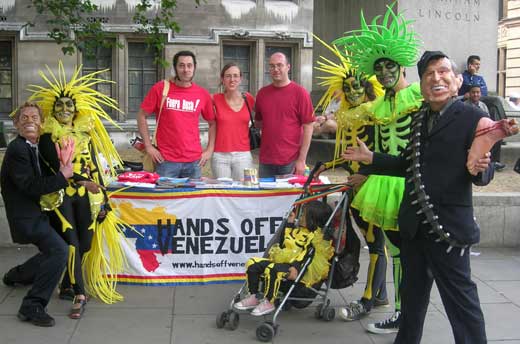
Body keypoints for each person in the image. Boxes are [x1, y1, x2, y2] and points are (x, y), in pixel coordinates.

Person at [342, 51, 493, 344]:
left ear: (457, 79)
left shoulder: (475, 117)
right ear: (422, 85)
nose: (436, 78)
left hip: (447, 230)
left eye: (442, 72)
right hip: (413, 227)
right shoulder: (419, 118)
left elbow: (485, 170)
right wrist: (373, 157)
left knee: (462, 305)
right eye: (429, 74)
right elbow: (408, 165)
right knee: (411, 302)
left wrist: (480, 171)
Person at [333, 4, 423, 332]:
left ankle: (407, 313)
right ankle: (402, 313)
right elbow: (351, 119)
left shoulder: (418, 95)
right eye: (380, 68)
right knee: (398, 251)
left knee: (413, 255)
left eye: (390, 66)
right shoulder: (378, 104)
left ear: (402, 67)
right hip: (385, 183)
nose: (385, 72)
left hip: (412, 183)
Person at [29, 63, 128, 317]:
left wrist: (104, 199)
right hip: (59, 197)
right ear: (53, 109)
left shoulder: (87, 133)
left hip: (86, 198)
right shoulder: (47, 136)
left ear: (76, 109)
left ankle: (65, 286)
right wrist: (84, 181)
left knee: (84, 245)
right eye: (60, 105)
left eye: (69, 105)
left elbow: (95, 167)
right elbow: (56, 164)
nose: (64, 109)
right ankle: (80, 294)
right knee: (71, 244)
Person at [313, 34, 388, 321]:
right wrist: (326, 165)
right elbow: (350, 153)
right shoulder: (349, 115)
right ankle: (379, 293)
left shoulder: (375, 113)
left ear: (367, 87)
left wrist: (366, 175)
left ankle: (369, 300)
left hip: (374, 186)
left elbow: (382, 152)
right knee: (371, 241)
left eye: (357, 85)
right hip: (354, 186)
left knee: (375, 242)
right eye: (348, 87)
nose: (353, 90)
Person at [1, 102, 74, 327]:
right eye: (24, 118)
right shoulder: (17, 149)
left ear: (42, 124)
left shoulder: (31, 147)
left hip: (34, 214)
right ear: (16, 124)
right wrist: (63, 177)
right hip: (26, 218)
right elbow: (31, 186)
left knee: (53, 248)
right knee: (59, 251)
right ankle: (32, 305)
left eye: (34, 117)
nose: (29, 121)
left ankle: (16, 275)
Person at [233, 200, 334, 316]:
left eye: (303, 215)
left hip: (295, 267)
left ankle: (269, 302)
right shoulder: (297, 230)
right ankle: (253, 295)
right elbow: (285, 241)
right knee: (252, 263)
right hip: (281, 261)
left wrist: (296, 267)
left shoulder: (314, 238)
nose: (300, 216)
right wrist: (290, 222)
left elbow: (306, 255)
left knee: (272, 269)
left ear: (312, 220)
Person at [138, 50, 216, 178]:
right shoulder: (161, 89)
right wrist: (148, 146)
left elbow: (213, 122)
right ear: (175, 68)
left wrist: (209, 150)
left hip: (194, 161)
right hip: (166, 161)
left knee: (192, 198)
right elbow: (141, 115)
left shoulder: (202, 94)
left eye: (189, 65)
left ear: (194, 67)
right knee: (165, 197)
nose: (186, 69)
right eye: (181, 65)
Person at [255, 52, 315, 178]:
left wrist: (302, 160)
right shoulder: (262, 94)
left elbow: (308, 127)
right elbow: (259, 123)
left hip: (291, 160)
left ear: (288, 67)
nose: (275, 69)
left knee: (289, 197)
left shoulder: (300, 93)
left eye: (279, 65)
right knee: (264, 196)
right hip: (266, 160)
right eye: (272, 66)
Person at [211, 62, 255, 181]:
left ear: (240, 79)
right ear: (222, 79)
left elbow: (263, 116)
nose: (232, 79)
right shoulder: (214, 99)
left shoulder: (248, 98)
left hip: (244, 155)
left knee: (245, 192)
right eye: (228, 76)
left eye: (235, 76)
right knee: (222, 194)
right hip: (220, 156)